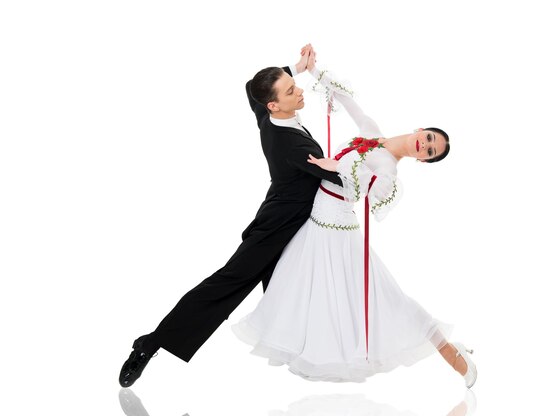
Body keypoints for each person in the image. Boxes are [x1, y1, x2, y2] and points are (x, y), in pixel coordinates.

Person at [231, 47, 477, 387]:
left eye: (431, 152)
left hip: (337, 225)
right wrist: (313, 72)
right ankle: (304, 343)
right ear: (422, 129)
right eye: (430, 138)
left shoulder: (390, 172)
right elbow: (348, 101)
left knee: (382, 296)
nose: (426, 145)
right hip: (314, 216)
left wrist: (337, 167)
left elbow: (365, 192)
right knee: (302, 287)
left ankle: (448, 351)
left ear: (423, 161)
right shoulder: (373, 133)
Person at [119, 44, 344, 387]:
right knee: (227, 285)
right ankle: (149, 344)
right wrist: (381, 167)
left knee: (291, 289)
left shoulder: (265, 113)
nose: (299, 92)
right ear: (274, 104)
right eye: (290, 90)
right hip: (275, 230)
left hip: (296, 225)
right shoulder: (292, 145)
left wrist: (295, 68)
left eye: (293, 85)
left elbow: (249, 88)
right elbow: (340, 178)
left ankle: (304, 354)